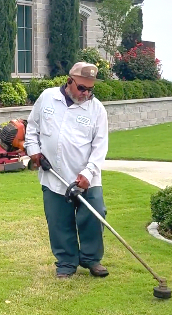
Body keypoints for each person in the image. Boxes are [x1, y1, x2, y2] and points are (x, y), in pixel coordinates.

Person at [24, 62, 109, 279]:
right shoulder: (47, 98)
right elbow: (32, 127)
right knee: (58, 221)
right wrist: (34, 151)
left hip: (86, 177)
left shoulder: (96, 109)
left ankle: (91, 259)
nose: (86, 93)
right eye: (82, 88)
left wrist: (88, 173)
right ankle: (66, 262)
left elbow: (100, 146)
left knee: (94, 214)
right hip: (54, 175)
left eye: (90, 89)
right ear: (69, 81)